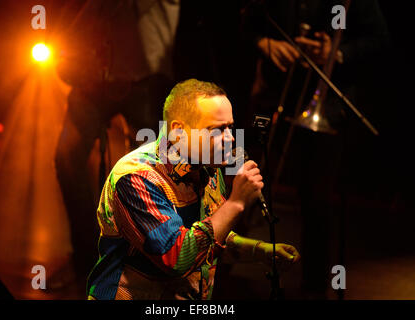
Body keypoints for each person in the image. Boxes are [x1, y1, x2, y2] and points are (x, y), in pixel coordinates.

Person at [86, 79, 300, 300]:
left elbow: (210, 236)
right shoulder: (136, 177)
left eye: (230, 127)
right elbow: (176, 258)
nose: (231, 138)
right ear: (178, 132)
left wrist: (260, 250)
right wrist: (236, 203)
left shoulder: (207, 166)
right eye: (217, 130)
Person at [242, 0, 390, 298]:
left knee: (317, 197)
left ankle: (314, 287)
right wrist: (266, 43)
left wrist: (336, 52)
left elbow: (379, 40)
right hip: (274, 96)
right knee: (244, 182)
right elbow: (245, 24)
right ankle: (224, 274)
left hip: (328, 103)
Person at [54, 0, 179, 283]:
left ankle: (149, 259)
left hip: (147, 76)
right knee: (66, 157)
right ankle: (90, 256)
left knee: (150, 173)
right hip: (93, 77)